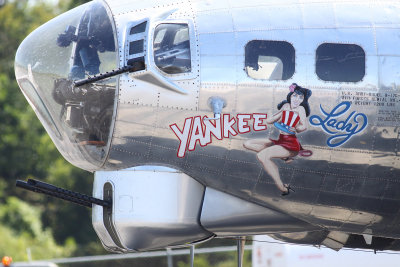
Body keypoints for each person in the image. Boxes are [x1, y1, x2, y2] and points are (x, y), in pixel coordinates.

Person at [243, 83, 312, 195]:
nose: (296, 99)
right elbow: (270, 121)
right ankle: (284, 158)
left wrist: (296, 128)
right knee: (247, 143)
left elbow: (304, 125)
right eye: (295, 96)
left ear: (303, 100)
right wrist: (277, 115)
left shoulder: (301, 109)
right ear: (290, 95)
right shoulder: (285, 107)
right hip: (281, 140)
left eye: (300, 97)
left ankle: (283, 187)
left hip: (290, 143)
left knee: (262, 156)